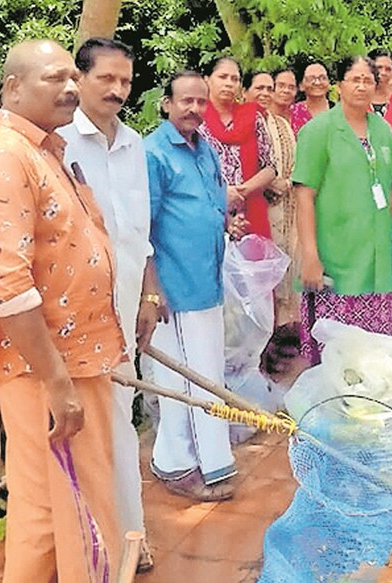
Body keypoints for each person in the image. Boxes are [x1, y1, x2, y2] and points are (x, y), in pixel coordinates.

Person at [0, 39, 124, 581]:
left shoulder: (40, 150)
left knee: (48, 512)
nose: (72, 88)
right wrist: (57, 382)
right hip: (51, 368)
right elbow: (11, 289)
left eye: (74, 77)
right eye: (55, 78)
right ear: (14, 88)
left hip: (71, 361)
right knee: (80, 511)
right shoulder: (6, 157)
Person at [56, 37, 154, 572]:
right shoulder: (60, 146)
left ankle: (131, 538)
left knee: (121, 421)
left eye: (125, 81)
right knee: (84, 431)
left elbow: (141, 232)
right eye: (106, 80)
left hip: (124, 311)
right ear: (80, 79)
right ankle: (98, 545)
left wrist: (148, 297)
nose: (117, 90)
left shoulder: (134, 145)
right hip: (75, 319)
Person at [144, 70, 247, 501]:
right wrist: (152, 290)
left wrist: (226, 222)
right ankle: (175, 464)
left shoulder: (206, 149)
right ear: (166, 104)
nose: (194, 109)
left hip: (207, 278)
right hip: (173, 288)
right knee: (181, 378)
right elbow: (142, 225)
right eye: (185, 101)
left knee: (206, 373)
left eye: (200, 102)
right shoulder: (153, 152)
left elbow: (212, 200)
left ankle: (212, 460)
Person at [293, 56, 392, 362]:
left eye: (368, 80)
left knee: (375, 359)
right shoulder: (319, 130)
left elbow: (388, 186)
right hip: (336, 259)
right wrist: (310, 256)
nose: (362, 86)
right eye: (355, 79)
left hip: (377, 262)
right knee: (334, 361)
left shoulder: (383, 130)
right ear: (340, 86)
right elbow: (303, 196)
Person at [199, 57, 276, 240]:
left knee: (251, 267)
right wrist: (223, 194)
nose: (229, 83)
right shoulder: (195, 119)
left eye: (234, 79)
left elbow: (270, 168)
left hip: (250, 214)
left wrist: (241, 191)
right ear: (207, 79)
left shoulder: (253, 117)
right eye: (223, 77)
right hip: (206, 213)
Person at [245, 71, 300, 322]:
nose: (266, 94)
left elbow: (296, 164)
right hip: (253, 208)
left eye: (270, 89)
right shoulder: (237, 123)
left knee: (286, 269)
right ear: (244, 91)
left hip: (287, 207)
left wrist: (286, 183)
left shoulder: (282, 124)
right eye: (260, 88)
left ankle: (284, 331)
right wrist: (266, 183)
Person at [291, 58, 333, 134]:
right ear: (301, 85)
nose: (317, 82)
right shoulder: (292, 113)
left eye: (322, 78)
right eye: (311, 79)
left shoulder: (340, 112)